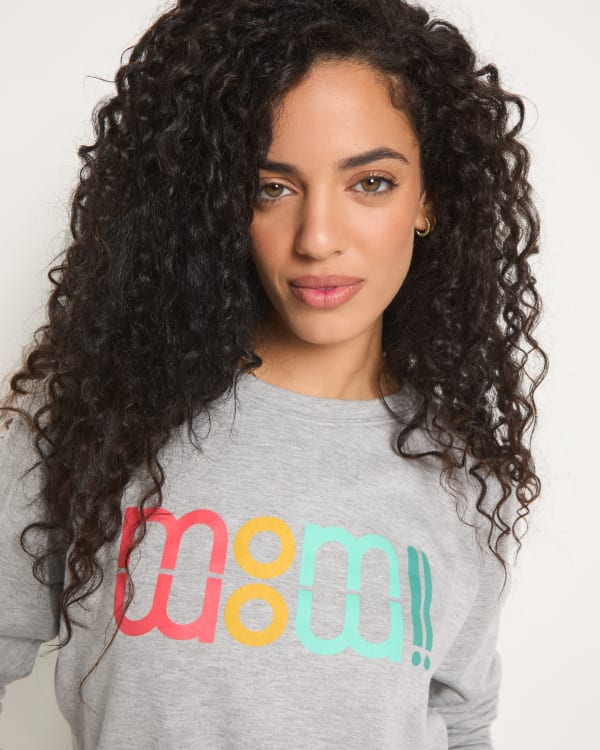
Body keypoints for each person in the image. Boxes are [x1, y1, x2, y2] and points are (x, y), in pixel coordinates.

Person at [0, 0, 548, 747]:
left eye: (371, 182)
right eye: (273, 187)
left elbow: (461, 725)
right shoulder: (95, 412)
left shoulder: (464, 479)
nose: (317, 238)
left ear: (428, 198)